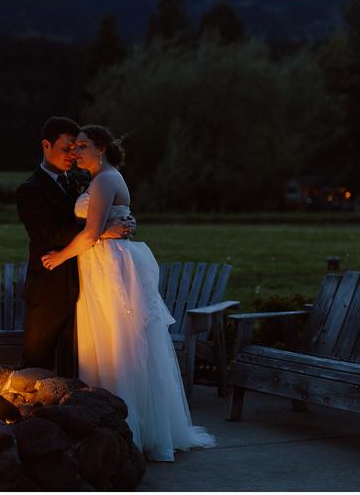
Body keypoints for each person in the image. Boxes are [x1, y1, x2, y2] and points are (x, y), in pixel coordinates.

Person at [40, 124, 216, 462]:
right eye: (73, 146)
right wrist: (109, 230)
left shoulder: (106, 180)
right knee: (107, 340)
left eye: (82, 145)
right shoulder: (98, 179)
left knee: (119, 340)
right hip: (99, 265)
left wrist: (59, 257)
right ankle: (111, 423)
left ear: (102, 148)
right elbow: (100, 227)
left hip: (110, 267)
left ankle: (128, 428)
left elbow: (92, 234)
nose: (75, 152)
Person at [15, 117, 136, 377]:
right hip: (50, 284)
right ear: (46, 145)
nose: (73, 154)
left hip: (91, 282)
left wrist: (120, 220)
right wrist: (103, 230)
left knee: (81, 364)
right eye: (67, 148)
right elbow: (51, 233)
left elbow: (104, 207)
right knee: (38, 361)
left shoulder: (83, 179)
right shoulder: (30, 190)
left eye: (77, 148)